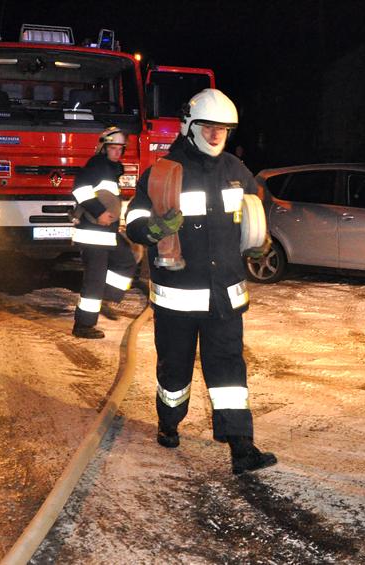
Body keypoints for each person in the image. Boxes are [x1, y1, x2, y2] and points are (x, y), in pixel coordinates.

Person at [126, 89, 276, 475]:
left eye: (223, 129)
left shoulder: (236, 172)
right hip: (178, 299)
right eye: (208, 127)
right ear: (190, 128)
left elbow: (255, 217)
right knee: (174, 370)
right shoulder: (162, 172)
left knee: (229, 372)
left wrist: (260, 244)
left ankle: (241, 446)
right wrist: (154, 227)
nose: (216, 135)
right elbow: (135, 222)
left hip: (224, 296)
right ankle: (169, 422)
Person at [70, 127, 137, 339]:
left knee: (126, 261)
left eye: (120, 149)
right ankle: (83, 325)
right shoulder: (97, 165)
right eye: (113, 148)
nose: (117, 152)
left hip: (107, 233)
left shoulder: (110, 168)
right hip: (93, 233)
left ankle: (106, 299)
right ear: (104, 148)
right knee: (94, 280)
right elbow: (80, 189)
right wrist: (98, 212)